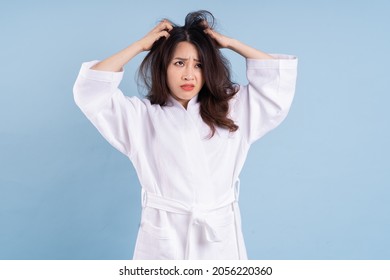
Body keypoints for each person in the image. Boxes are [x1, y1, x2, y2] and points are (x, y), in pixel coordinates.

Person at [73, 10, 298, 260]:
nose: (189, 75)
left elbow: (275, 86)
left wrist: (230, 44)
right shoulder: (140, 118)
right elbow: (90, 91)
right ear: (164, 66)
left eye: (199, 64)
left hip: (219, 236)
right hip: (163, 237)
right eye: (179, 63)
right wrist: (139, 46)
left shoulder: (232, 110)